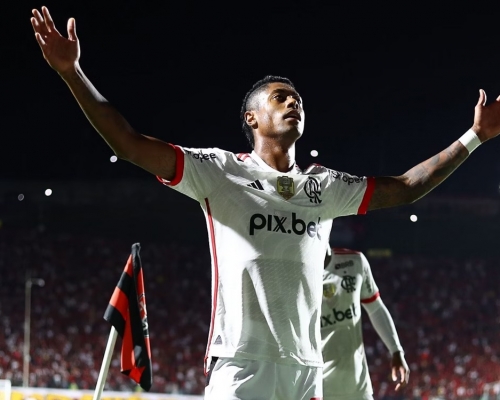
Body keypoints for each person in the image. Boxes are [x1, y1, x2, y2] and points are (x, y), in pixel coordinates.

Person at [30, 6, 500, 399]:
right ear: (252, 118)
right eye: (281, 98)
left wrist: (475, 136)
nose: (294, 103)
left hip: (306, 371)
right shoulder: (219, 171)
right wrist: (73, 73)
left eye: (298, 100)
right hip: (241, 365)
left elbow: (407, 185)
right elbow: (130, 144)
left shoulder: (325, 186)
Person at [321, 246, 409, 400]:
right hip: (314, 387)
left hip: (357, 388)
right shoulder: (292, 272)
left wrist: (396, 350)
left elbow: (375, 308)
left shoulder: (354, 261)